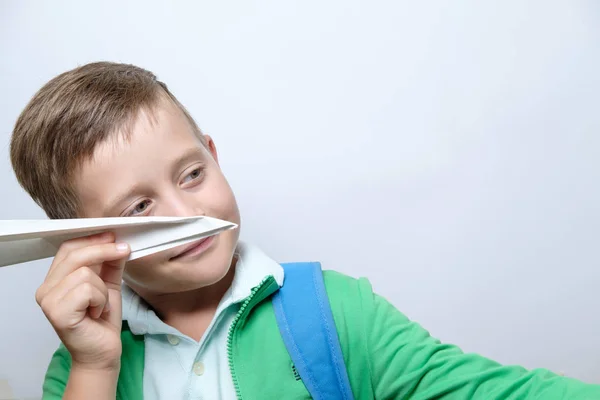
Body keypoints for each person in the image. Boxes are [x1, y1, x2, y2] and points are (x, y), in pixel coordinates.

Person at [9, 61, 600, 399]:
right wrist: (94, 368)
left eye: (192, 173)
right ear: (82, 237)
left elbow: (491, 393)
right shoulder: (84, 365)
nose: (182, 212)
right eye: (138, 207)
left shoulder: (338, 313)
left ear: (214, 154)